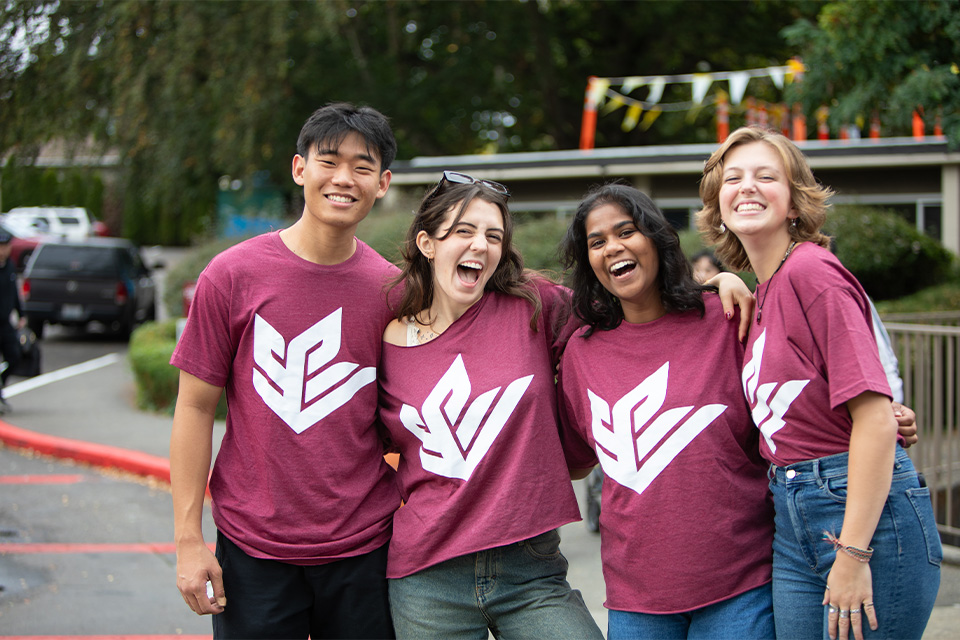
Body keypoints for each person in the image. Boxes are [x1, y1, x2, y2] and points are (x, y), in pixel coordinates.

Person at [696, 126, 940, 640]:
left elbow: (874, 416)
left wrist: (853, 555)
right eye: (733, 178)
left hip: (858, 514)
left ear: (794, 203)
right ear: (717, 205)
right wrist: (720, 279)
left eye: (767, 176)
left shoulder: (813, 273)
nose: (748, 187)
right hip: (791, 513)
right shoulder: (765, 292)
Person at [169, 103, 401, 639]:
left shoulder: (394, 291)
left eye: (363, 166)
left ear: (383, 183)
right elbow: (194, 406)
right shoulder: (231, 276)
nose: (344, 178)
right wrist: (187, 540)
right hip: (253, 552)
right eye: (329, 161)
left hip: (366, 550)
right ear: (300, 169)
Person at [376, 171, 604, 639]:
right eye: (464, 231)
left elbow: (628, 312)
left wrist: (711, 287)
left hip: (531, 570)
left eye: (493, 235)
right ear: (427, 242)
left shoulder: (532, 305)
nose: (480, 245)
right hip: (426, 577)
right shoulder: (385, 337)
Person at [557, 183, 776, 639]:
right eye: (596, 242)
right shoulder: (582, 351)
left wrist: (876, 416)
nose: (612, 247)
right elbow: (576, 458)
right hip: (637, 598)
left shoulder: (727, 319)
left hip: (740, 584)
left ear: (656, 238)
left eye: (626, 231)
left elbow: (785, 415)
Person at [0, 230, 25, 411]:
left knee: (15, 356)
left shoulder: (9, 266)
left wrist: (21, 314)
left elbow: (14, 293)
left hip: (5, 322)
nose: (2, 250)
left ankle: (1, 384)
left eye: (5, 246)